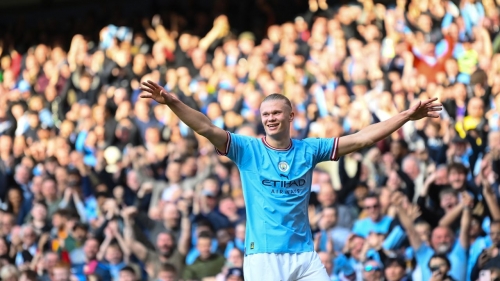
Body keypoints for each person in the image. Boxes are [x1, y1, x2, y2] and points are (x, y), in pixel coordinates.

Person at [139, 80, 442, 280]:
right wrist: (173, 103)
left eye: (276, 113)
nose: (270, 118)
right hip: (264, 258)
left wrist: (404, 116)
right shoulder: (248, 149)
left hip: (304, 255)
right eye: (265, 114)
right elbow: (205, 127)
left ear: (290, 116)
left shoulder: (309, 149)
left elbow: (361, 139)